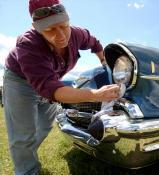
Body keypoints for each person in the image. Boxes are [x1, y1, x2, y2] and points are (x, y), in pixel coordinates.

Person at [3, 0, 120, 174]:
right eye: (50, 30)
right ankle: (27, 170)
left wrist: (104, 62)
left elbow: (95, 43)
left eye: (64, 26)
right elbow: (51, 89)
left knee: (45, 124)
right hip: (20, 82)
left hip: (51, 80)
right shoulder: (27, 44)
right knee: (23, 134)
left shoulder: (77, 34)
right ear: (37, 28)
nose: (61, 35)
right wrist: (95, 94)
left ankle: (27, 153)